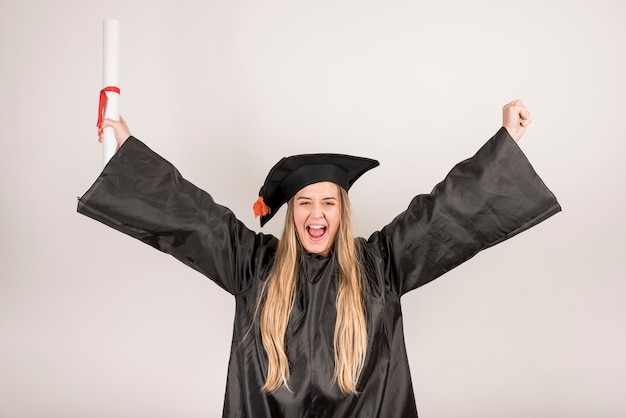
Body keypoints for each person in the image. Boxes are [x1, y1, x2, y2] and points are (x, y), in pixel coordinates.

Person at [79, 100, 560, 417]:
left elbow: (446, 213)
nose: (316, 213)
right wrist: (127, 151)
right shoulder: (253, 264)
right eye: (304, 203)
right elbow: (192, 216)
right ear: (291, 214)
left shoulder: (382, 264)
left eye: (328, 202)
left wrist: (505, 144)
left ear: (341, 211)